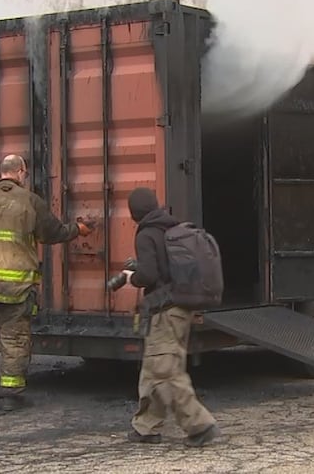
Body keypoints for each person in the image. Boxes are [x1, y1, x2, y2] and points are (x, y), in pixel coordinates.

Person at [0, 154, 92, 411]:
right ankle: (10, 396)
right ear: (21, 172)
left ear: (2, 172)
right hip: (16, 288)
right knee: (14, 340)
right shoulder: (30, 202)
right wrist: (78, 229)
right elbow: (53, 233)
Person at [121, 187, 220, 447]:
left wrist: (134, 277)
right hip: (179, 308)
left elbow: (150, 276)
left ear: (134, 213)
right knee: (154, 369)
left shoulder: (146, 233)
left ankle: (200, 426)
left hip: (166, 311)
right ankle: (145, 427)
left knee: (165, 369)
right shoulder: (169, 227)